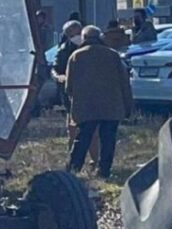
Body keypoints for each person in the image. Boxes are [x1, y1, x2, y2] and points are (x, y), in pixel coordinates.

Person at [65, 26, 133, 178]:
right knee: (108, 139)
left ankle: (73, 169)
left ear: (84, 38)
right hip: (112, 106)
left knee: (82, 139)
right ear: (100, 37)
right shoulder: (113, 55)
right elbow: (124, 83)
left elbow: (69, 86)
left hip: (86, 107)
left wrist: (75, 102)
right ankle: (104, 171)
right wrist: (128, 106)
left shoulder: (76, 56)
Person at [52, 20, 83, 108]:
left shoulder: (93, 47)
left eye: (78, 33)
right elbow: (55, 68)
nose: (76, 37)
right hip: (70, 87)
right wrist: (58, 77)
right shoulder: (64, 50)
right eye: (72, 34)